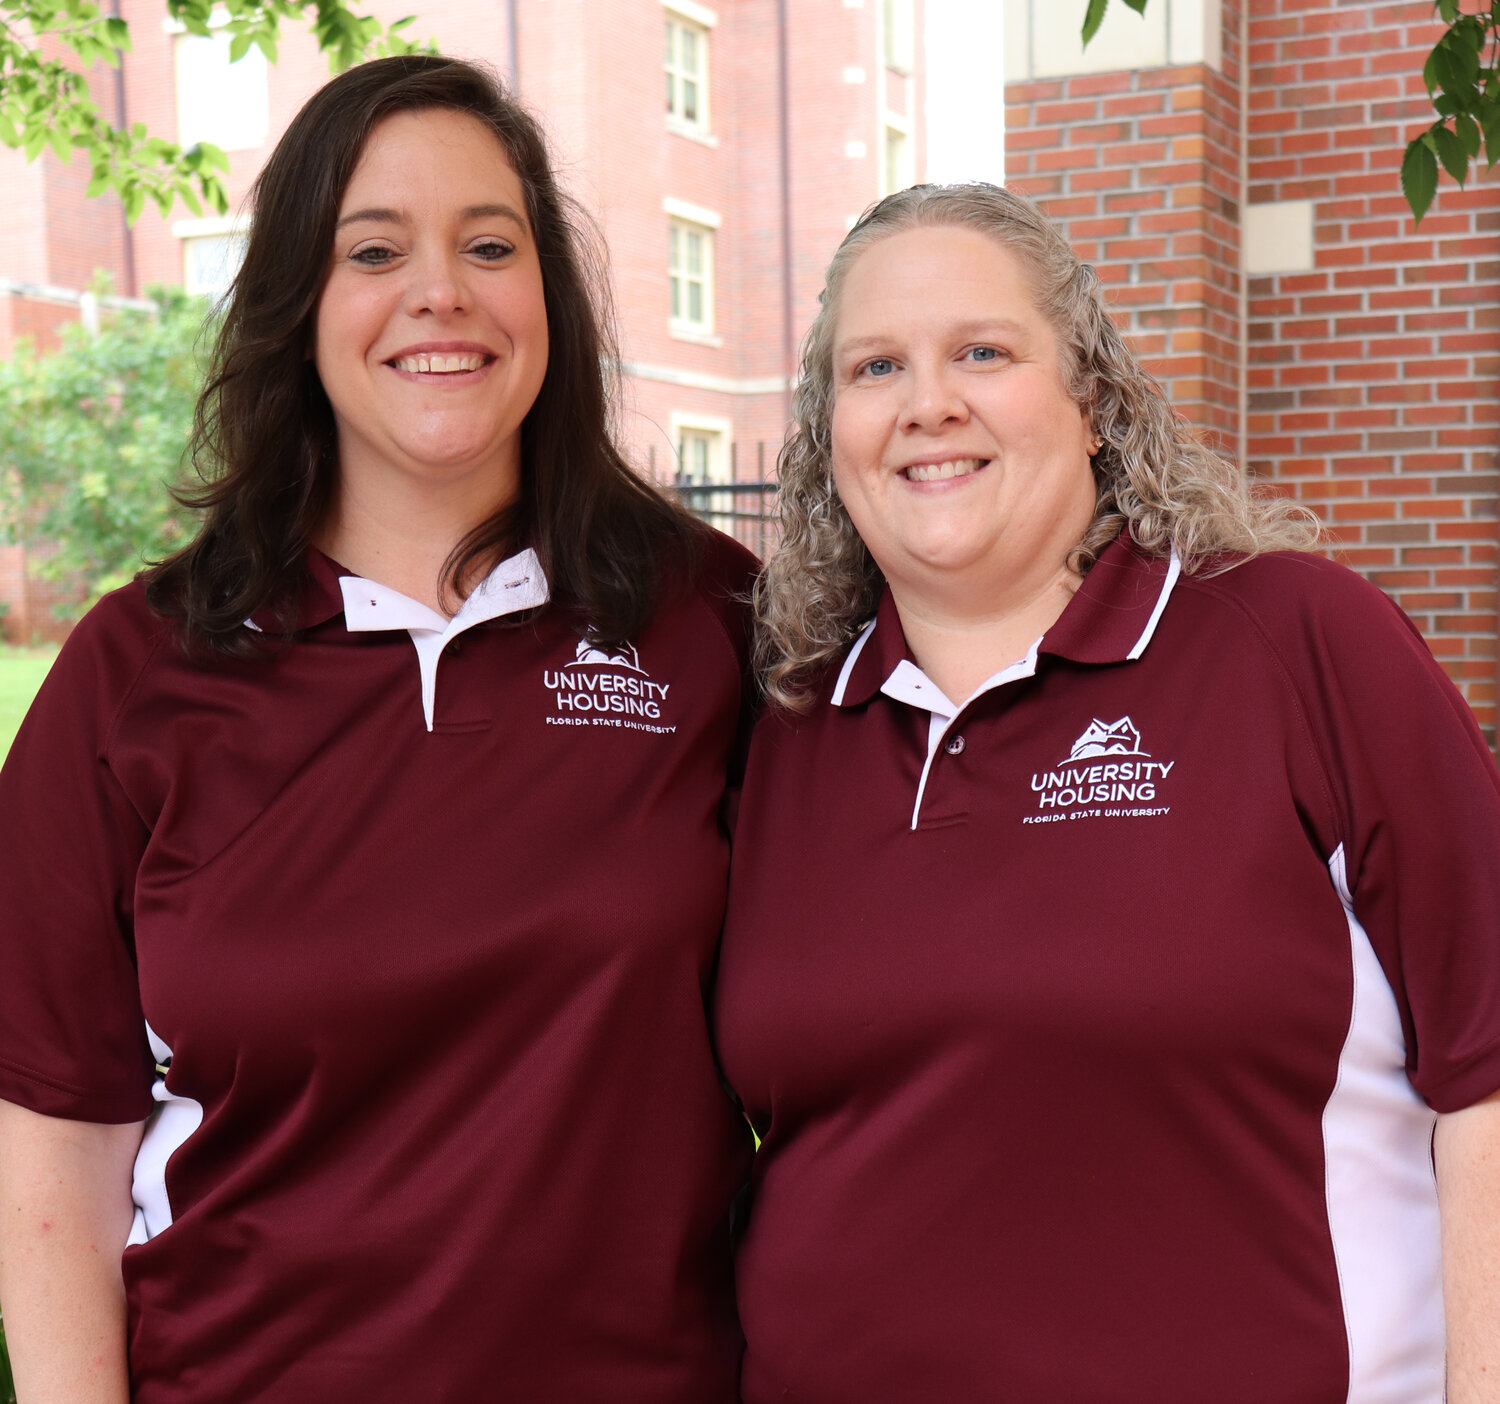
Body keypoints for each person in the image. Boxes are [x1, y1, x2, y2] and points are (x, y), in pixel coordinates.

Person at [0, 55, 755, 1403]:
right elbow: (59, 1133)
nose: (441, 293)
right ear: (300, 305)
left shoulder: (709, 625)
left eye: (489, 244)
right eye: (374, 249)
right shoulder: (135, 674)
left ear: (549, 298)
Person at [714, 184, 1500, 1404]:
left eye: (984, 350)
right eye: (876, 368)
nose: (930, 403)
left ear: (1090, 403)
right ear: (828, 438)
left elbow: (1489, 1072)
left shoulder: (1295, 644)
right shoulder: (787, 730)